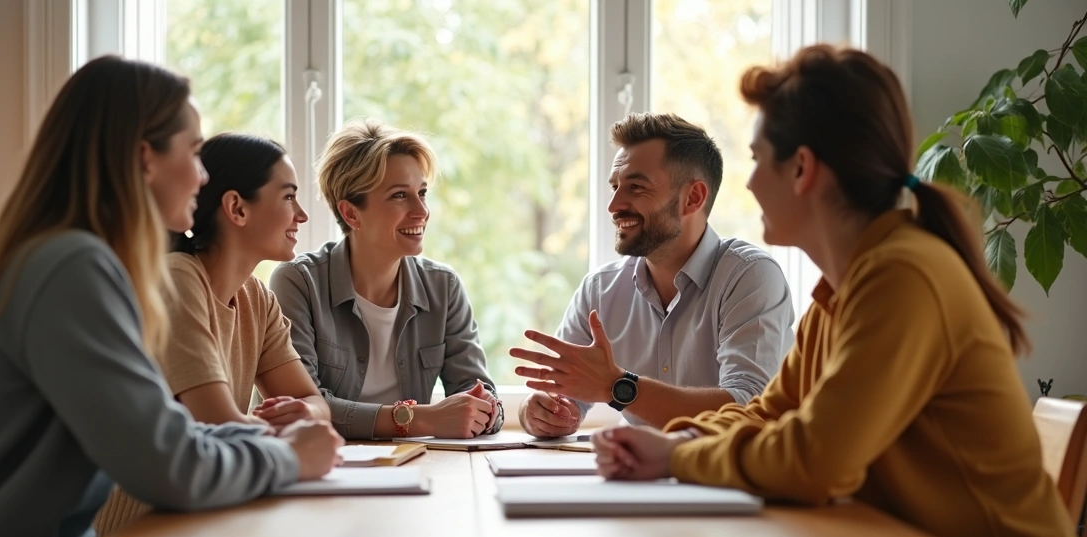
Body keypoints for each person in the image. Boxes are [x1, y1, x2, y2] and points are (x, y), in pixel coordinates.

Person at [592, 45, 1080, 537]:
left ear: (802, 169)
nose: (748, 181)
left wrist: (676, 458)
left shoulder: (903, 275)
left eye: (757, 160)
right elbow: (770, 412)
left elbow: (815, 460)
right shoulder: (843, 291)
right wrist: (679, 440)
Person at [0, 57, 342, 537]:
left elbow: (170, 439)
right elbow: (169, 467)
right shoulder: (73, 268)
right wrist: (288, 457)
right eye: (193, 152)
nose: (202, 176)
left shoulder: (67, 259)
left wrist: (267, 442)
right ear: (146, 159)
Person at [511, 113, 793, 436]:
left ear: (693, 198)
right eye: (615, 187)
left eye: (636, 187)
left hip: (725, 467)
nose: (613, 205)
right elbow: (557, 394)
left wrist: (617, 386)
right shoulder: (600, 290)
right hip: (635, 464)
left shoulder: (750, 277)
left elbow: (747, 409)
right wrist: (539, 412)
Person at [271, 119, 502, 440]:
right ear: (351, 213)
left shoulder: (444, 287)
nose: (422, 211)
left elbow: (476, 391)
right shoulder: (298, 283)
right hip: (320, 459)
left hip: (411, 461)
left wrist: (486, 410)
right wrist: (419, 420)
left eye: (422, 193)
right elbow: (302, 409)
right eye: (399, 195)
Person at [161, 133, 329, 429]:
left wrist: (307, 414)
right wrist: (286, 430)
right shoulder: (179, 279)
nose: (301, 215)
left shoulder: (257, 298)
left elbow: (314, 403)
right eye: (288, 197)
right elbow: (218, 424)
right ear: (237, 208)